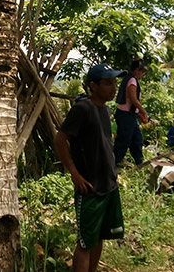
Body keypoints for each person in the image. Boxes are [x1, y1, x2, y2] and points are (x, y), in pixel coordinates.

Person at [55, 64, 126, 272]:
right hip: (89, 188)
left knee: (99, 237)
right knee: (85, 242)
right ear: (93, 86)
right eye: (108, 83)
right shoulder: (82, 109)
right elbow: (60, 139)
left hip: (109, 185)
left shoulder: (104, 110)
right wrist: (74, 173)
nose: (113, 88)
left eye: (114, 83)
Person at [114, 57, 149, 166]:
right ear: (137, 70)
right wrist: (143, 111)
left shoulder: (129, 79)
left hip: (131, 115)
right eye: (142, 71)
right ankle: (112, 163)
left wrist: (138, 113)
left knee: (137, 140)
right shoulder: (132, 80)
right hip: (126, 115)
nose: (142, 74)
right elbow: (133, 99)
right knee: (123, 141)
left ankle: (139, 163)